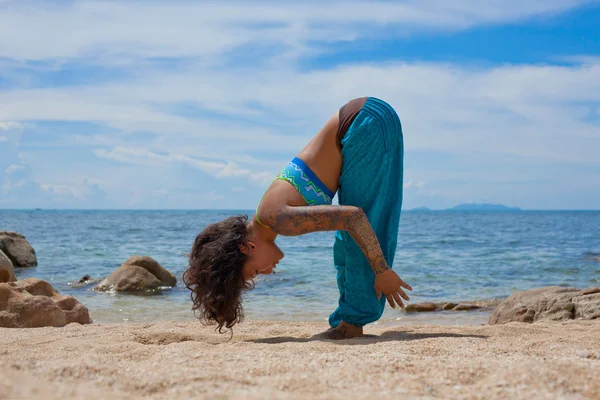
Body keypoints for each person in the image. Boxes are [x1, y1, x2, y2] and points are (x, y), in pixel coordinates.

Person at [183, 96, 412, 340]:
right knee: (348, 241)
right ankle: (348, 320)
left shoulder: (277, 219)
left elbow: (354, 217)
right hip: (363, 121)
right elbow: (347, 221)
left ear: (247, 248)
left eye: (255, 271)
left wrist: (382, 270)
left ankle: (351, 322)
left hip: (365, 123)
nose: (267, 273)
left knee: (362, 233)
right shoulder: (269, 216)